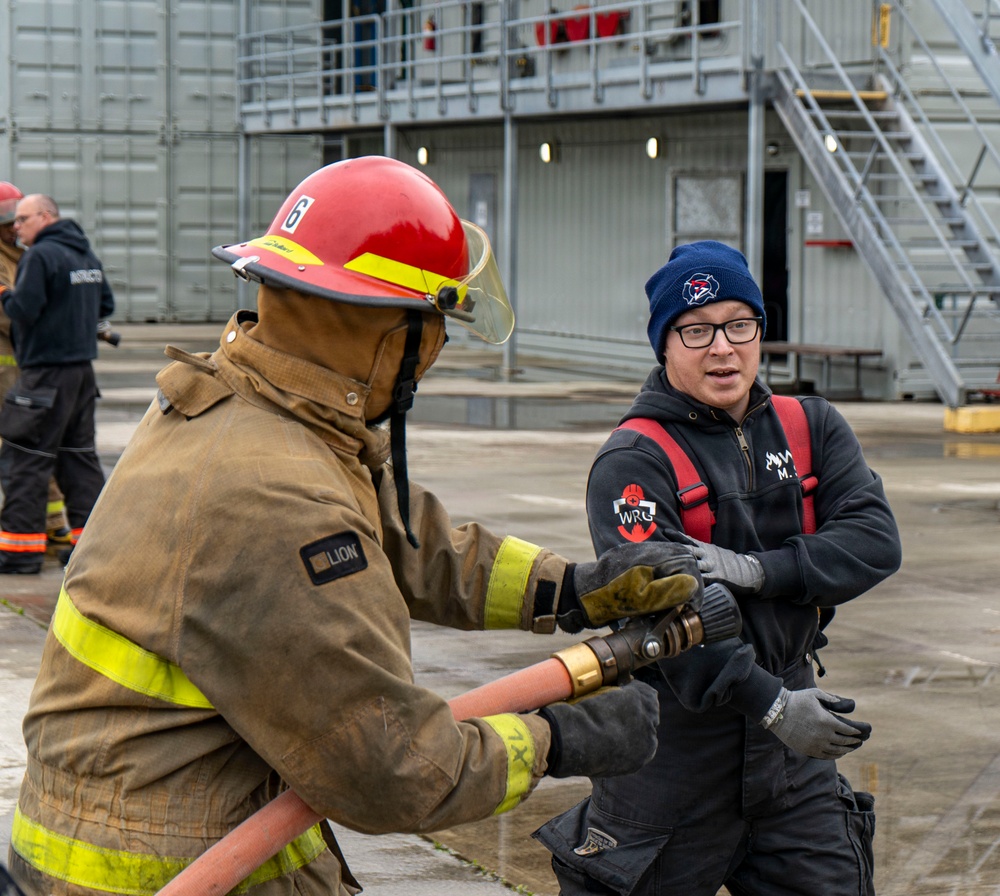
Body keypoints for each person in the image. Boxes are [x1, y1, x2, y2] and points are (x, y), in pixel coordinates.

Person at [7, 157, 707, 895]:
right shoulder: (277, 498)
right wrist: (558, 738)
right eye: (433, 326)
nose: (436, 351)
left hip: (142, 826)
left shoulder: (253, 403)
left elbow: (406, 537)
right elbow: (391, 766)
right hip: (165, 870)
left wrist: (573, 590)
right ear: (382, 332)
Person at [535, 240, 902, 895]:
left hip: (794, 760)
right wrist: (771, 706)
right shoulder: (634, 461)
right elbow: (665, 617)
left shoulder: (810, 427)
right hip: (672, 755)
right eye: (697, 330)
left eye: (739, 325)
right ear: (665, 345)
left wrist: (761, 571)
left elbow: (875, 542)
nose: (723, 348)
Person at [0, 194, 113, 574]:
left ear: (46, 217)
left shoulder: (41, 255)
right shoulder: (85, 254)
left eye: (23, 219)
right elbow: (105, 305)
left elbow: (23, 310)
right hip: (81, 376)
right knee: (79, 460)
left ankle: (19, 553)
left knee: (25, 458)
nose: (16, 227)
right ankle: (90, 549)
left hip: (44, 376)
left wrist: (4, 294)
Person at [0, 182, 73, 556]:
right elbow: (12, 317)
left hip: (27, 369)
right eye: (8, 224)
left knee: (33, 446)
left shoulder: (25, 257)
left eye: (17, 221)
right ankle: (40, 527)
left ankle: (50, 523)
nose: (14, 229)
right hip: (8, 373)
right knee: (22, 448)